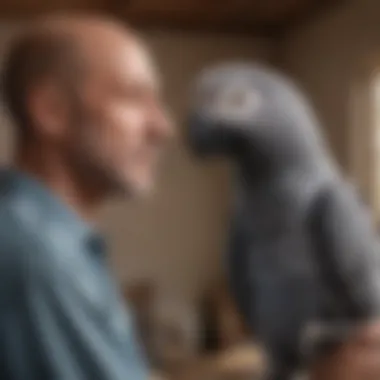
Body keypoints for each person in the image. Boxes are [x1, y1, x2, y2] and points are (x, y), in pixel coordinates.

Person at [0, 14, 173, 380]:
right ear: (51, 111)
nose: (162, 128)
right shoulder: (39, 256)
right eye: (133, 97)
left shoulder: (45, 239)